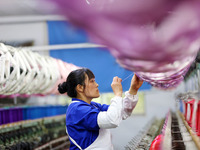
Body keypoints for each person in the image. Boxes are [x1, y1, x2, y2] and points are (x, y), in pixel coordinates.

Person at [58, 68, 143, 150]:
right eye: (92, 81)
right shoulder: (77, 110)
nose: (97, 84)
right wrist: (117, 94)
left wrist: (133, 90)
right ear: (80, 87)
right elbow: (112, 120)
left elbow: (122, 112)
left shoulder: (92, 106)